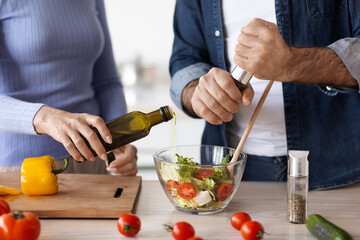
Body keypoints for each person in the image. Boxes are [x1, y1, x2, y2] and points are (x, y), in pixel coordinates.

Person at [169, 0, 360, 190]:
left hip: (339, 167)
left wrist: (292, 63)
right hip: (231, 170)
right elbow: (185, 58)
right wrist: (198, 92)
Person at [0, 0, 138, 175]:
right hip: (24, 168)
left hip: (94, 161)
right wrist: (45, 117)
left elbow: (107, 82)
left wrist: (121, 136)